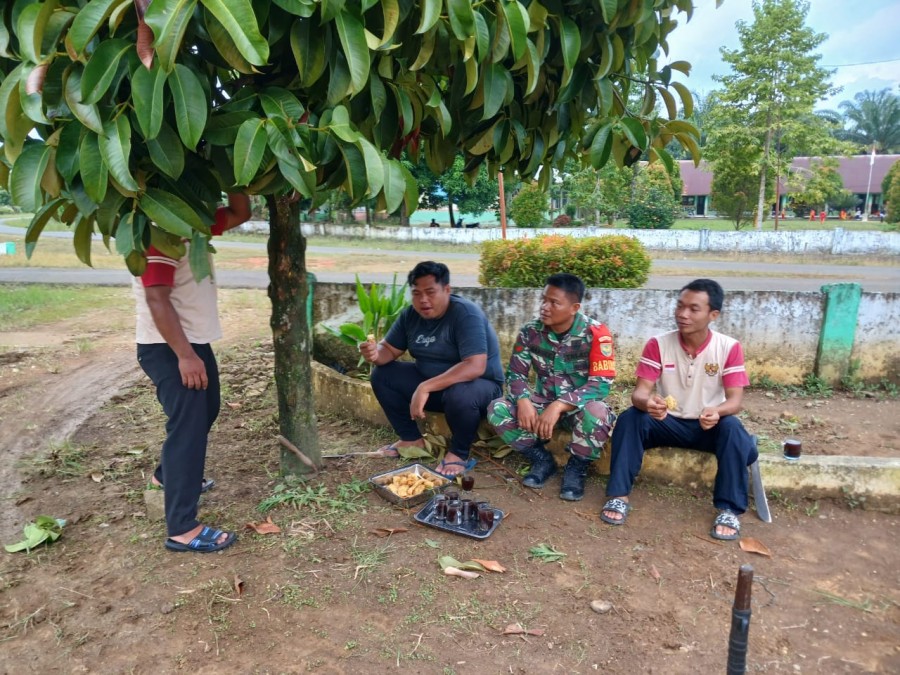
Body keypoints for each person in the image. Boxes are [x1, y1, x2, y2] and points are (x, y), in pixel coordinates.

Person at [135, 192, 251, 553]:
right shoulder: (160, 231)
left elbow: (239, 212)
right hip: (168, 346)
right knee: (188, 429)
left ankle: (164, 477)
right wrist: (184, 356)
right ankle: (182, 527)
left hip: (192, 342)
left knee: (207, 410)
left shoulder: (192, 223)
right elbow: (156, 297)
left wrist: (234, 168)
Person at [600, 279, 758, 541]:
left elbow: (735, 401)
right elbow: (639, 392)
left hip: (708, 426)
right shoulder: (658, 344)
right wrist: (648, 402)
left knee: (731, 427)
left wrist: (717, 412)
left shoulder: (728, 347)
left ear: (713, 315)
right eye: (680, 306)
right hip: (667, 422)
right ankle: (618, 496)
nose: (683, 314)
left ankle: (729, 509)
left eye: (694, 309)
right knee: (631, 418)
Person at [360, 261, 503, 478]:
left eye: (430, 292)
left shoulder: (465, 314)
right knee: (383, 374)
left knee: (460, 394)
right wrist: (375, 354)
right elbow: (389, 349)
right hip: (437, 389)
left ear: (447, 290)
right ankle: (410, 439)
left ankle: (458, 452)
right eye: (417, 293)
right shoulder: (411, 315)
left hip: (480, 390)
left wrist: (425, 387)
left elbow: (475, 366)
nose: (423, 300)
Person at [487, 274, 617, 500]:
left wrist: (559, 405)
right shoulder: (530, 332)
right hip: (541, 402)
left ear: (574, 307)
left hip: (579, 407)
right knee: (497, 408)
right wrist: (523, 401)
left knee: (599, 413)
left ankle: (576, 467)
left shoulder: (596, 333)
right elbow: (516, 374)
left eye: (554, 302)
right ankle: (541, 459)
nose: (544, 307)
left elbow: (601, 384)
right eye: (543, 299)